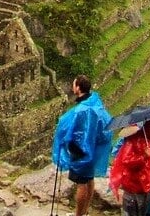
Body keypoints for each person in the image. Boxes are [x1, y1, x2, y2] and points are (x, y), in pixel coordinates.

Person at [52, 75, 113, 216]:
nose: (73, 87)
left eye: (74, 85)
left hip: (80, 150)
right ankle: (85, 211)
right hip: (93, 147)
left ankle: (78, 214)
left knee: (81, 183)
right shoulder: (96, 103)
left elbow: (69, 126)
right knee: (89, 179)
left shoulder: (81, 109)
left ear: (78, 88)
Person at [109, 118, 150, 216]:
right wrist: (143, 157)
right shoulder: (133, 142)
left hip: (148, 185)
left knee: (145, 210)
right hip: (134, 186)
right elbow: (126, 161)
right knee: (133, 211)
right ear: (148, 129)